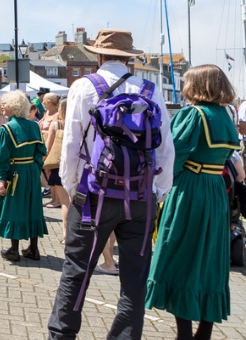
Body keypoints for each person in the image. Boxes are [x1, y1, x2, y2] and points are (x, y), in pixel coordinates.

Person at [47, 29, 174, 339]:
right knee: (134, 280)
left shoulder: (84, 87)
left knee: (76, 272)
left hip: (93, 196)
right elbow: (165, 148)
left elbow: (72, 145)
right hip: (140, 196)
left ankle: (62, 335)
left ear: (99, 56)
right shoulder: (150, 90)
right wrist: (158, 192)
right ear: (129, 57)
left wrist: (74, 187)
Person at [146, 64, 239, 340]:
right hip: (215, 191)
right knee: (210, 259)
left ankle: (184, 333)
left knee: (179, 255)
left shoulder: (193, 114)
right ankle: (204, 332)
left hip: (190, 190)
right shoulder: (226, 115)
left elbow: (171, 158)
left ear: (197, 85)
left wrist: (155, 188)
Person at [0, 91, 48, 261]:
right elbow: (40, 153)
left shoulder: (7, 128)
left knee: (14, 208)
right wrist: (35, 170)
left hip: (16, 173)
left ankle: (14, 250)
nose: (2, 107)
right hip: (31, 171)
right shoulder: (34, 126)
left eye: (5, 104)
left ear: (14, 107)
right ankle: (33, 248)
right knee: (33, 207)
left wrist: (3, 180)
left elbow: (3, 159)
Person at [43, 98, 70, 245]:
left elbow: (47, 147)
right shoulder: (81, 124)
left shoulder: (56, 124)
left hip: (59, 166)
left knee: (65, 203)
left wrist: (44, 163)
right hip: (78, 167)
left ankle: (66, 235)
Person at [38, 93, 62, 208]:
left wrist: (43, 132)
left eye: (45, 101)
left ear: (51, 102)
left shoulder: (57, 114)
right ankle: (53, 199)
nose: (43, 103)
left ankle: (57, 200)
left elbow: (55, 130)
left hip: (52, 146)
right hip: (44, 144)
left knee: (52, 172)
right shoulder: (46, 113)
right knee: (47, 172)